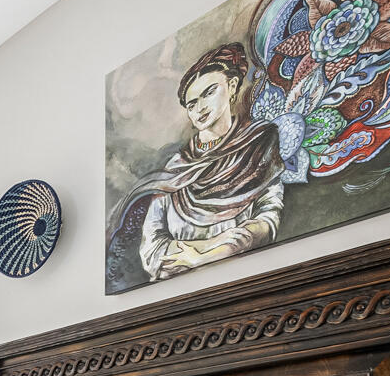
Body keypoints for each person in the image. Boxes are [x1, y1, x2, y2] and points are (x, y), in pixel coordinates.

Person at [113, 43, 285, 283]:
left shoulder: (258, 145)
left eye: (209, 92)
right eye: (192, 104)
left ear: (232, 86)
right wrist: (213, 248)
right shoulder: (175, 168)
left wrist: (199, 257)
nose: (200, 108)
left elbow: (266, 222)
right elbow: (152, 250)